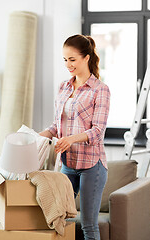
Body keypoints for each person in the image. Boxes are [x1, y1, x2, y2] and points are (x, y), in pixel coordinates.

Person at [39, 34, 110, 240]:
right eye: (65, 60)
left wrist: (70, 139)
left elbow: (97, 131)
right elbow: (56, 125)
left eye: (72, 59)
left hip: (91, 165)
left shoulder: (100, 90)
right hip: (67, 164)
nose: (68, 64)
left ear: (86, 58)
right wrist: (36, 136)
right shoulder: (64, 87)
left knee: (88, 225)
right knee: (60, 220)